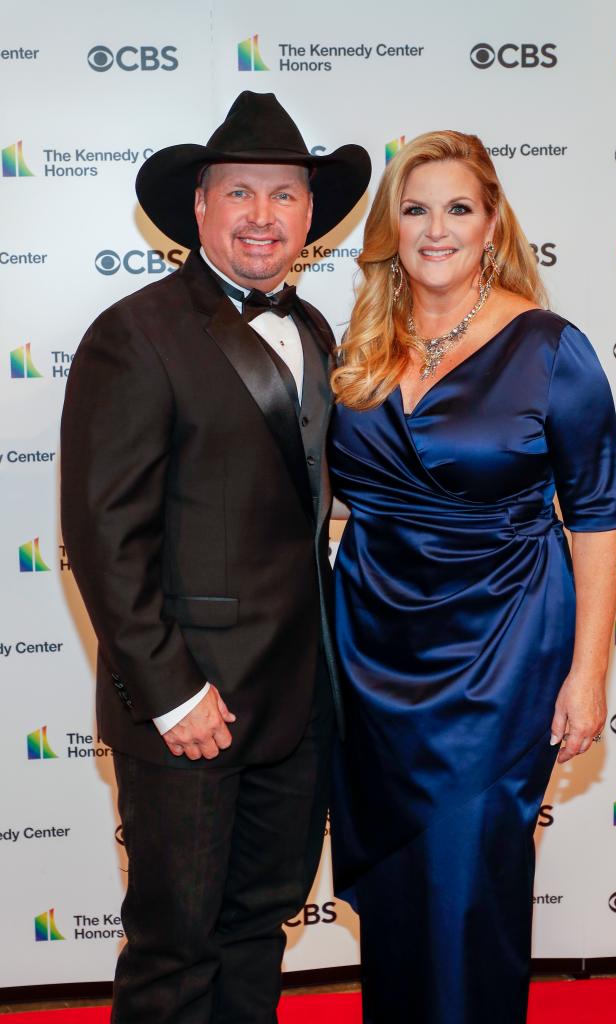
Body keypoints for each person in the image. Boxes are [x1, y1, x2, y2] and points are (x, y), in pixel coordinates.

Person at [60, 91, 370, 1024]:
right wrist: (169, 693)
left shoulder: (317, 332)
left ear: (311, 215)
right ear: (199, 207)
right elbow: (106, 535)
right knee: (176, 946)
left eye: (283, 195)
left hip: (296, 702)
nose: (263, 216)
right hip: (191, 705)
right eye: (240, 192)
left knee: (255, 931)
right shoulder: (135, 333)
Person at [328, 131, 616, 1024]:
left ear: (491, 223)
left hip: (500, 653)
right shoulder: (360, 343)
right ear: (390, 226)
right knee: (392, 891)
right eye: (414, 209)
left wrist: (588, 672)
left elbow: (598, 518)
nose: (434, 229)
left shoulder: (549, 349)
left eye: (457, 207)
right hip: (371, 650)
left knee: (468, 886)